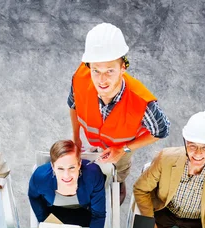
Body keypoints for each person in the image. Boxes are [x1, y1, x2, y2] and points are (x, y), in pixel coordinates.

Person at [68, 23, 170, 204]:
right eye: (96, 71)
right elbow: (73, 105)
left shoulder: (142, 103)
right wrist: (76, 138)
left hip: (123, 145)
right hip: (95, 140)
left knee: (119, 169)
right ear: (89, 66)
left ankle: (119, 182)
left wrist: (123, 149)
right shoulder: (80, 79)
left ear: (123, 67)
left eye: (110, 71)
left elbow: (161, 132)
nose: (102, 80)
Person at [29, 139, 106, 228]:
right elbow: (34, 197)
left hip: (85, 214)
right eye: (60, 169)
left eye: (71, 168)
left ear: (79, 164)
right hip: (54, 215)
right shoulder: (40, 177)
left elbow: (98, 215)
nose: (66, 176)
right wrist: (45, 222)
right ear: (52, 166)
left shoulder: (93, 174)